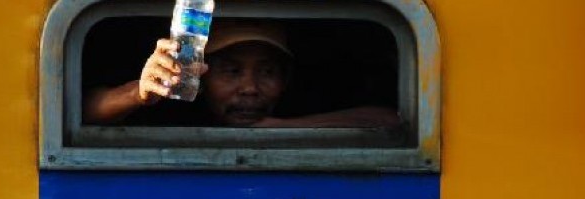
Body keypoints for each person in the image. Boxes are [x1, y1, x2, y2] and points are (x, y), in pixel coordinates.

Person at [83, 20, 402, 128]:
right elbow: (83, 112)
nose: (250, 88)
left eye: (267, 71)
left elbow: (387, 121)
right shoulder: (172, 107)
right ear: (200, 76)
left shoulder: (298, 106)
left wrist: (283, 130)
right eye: (231, 71)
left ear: (286, 79)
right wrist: (138, 93)